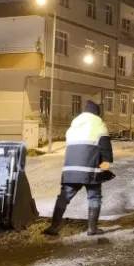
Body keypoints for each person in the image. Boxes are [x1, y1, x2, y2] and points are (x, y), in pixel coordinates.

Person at [44, 99, 113, 237]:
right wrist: (106, 163)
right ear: (97, 112)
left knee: (63, 197)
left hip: (71, 170)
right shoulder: (98, 124)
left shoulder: (74, 125)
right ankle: (92, 229)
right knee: (94, 196)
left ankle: (54, 227)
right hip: (90, 170)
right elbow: (105, 147)